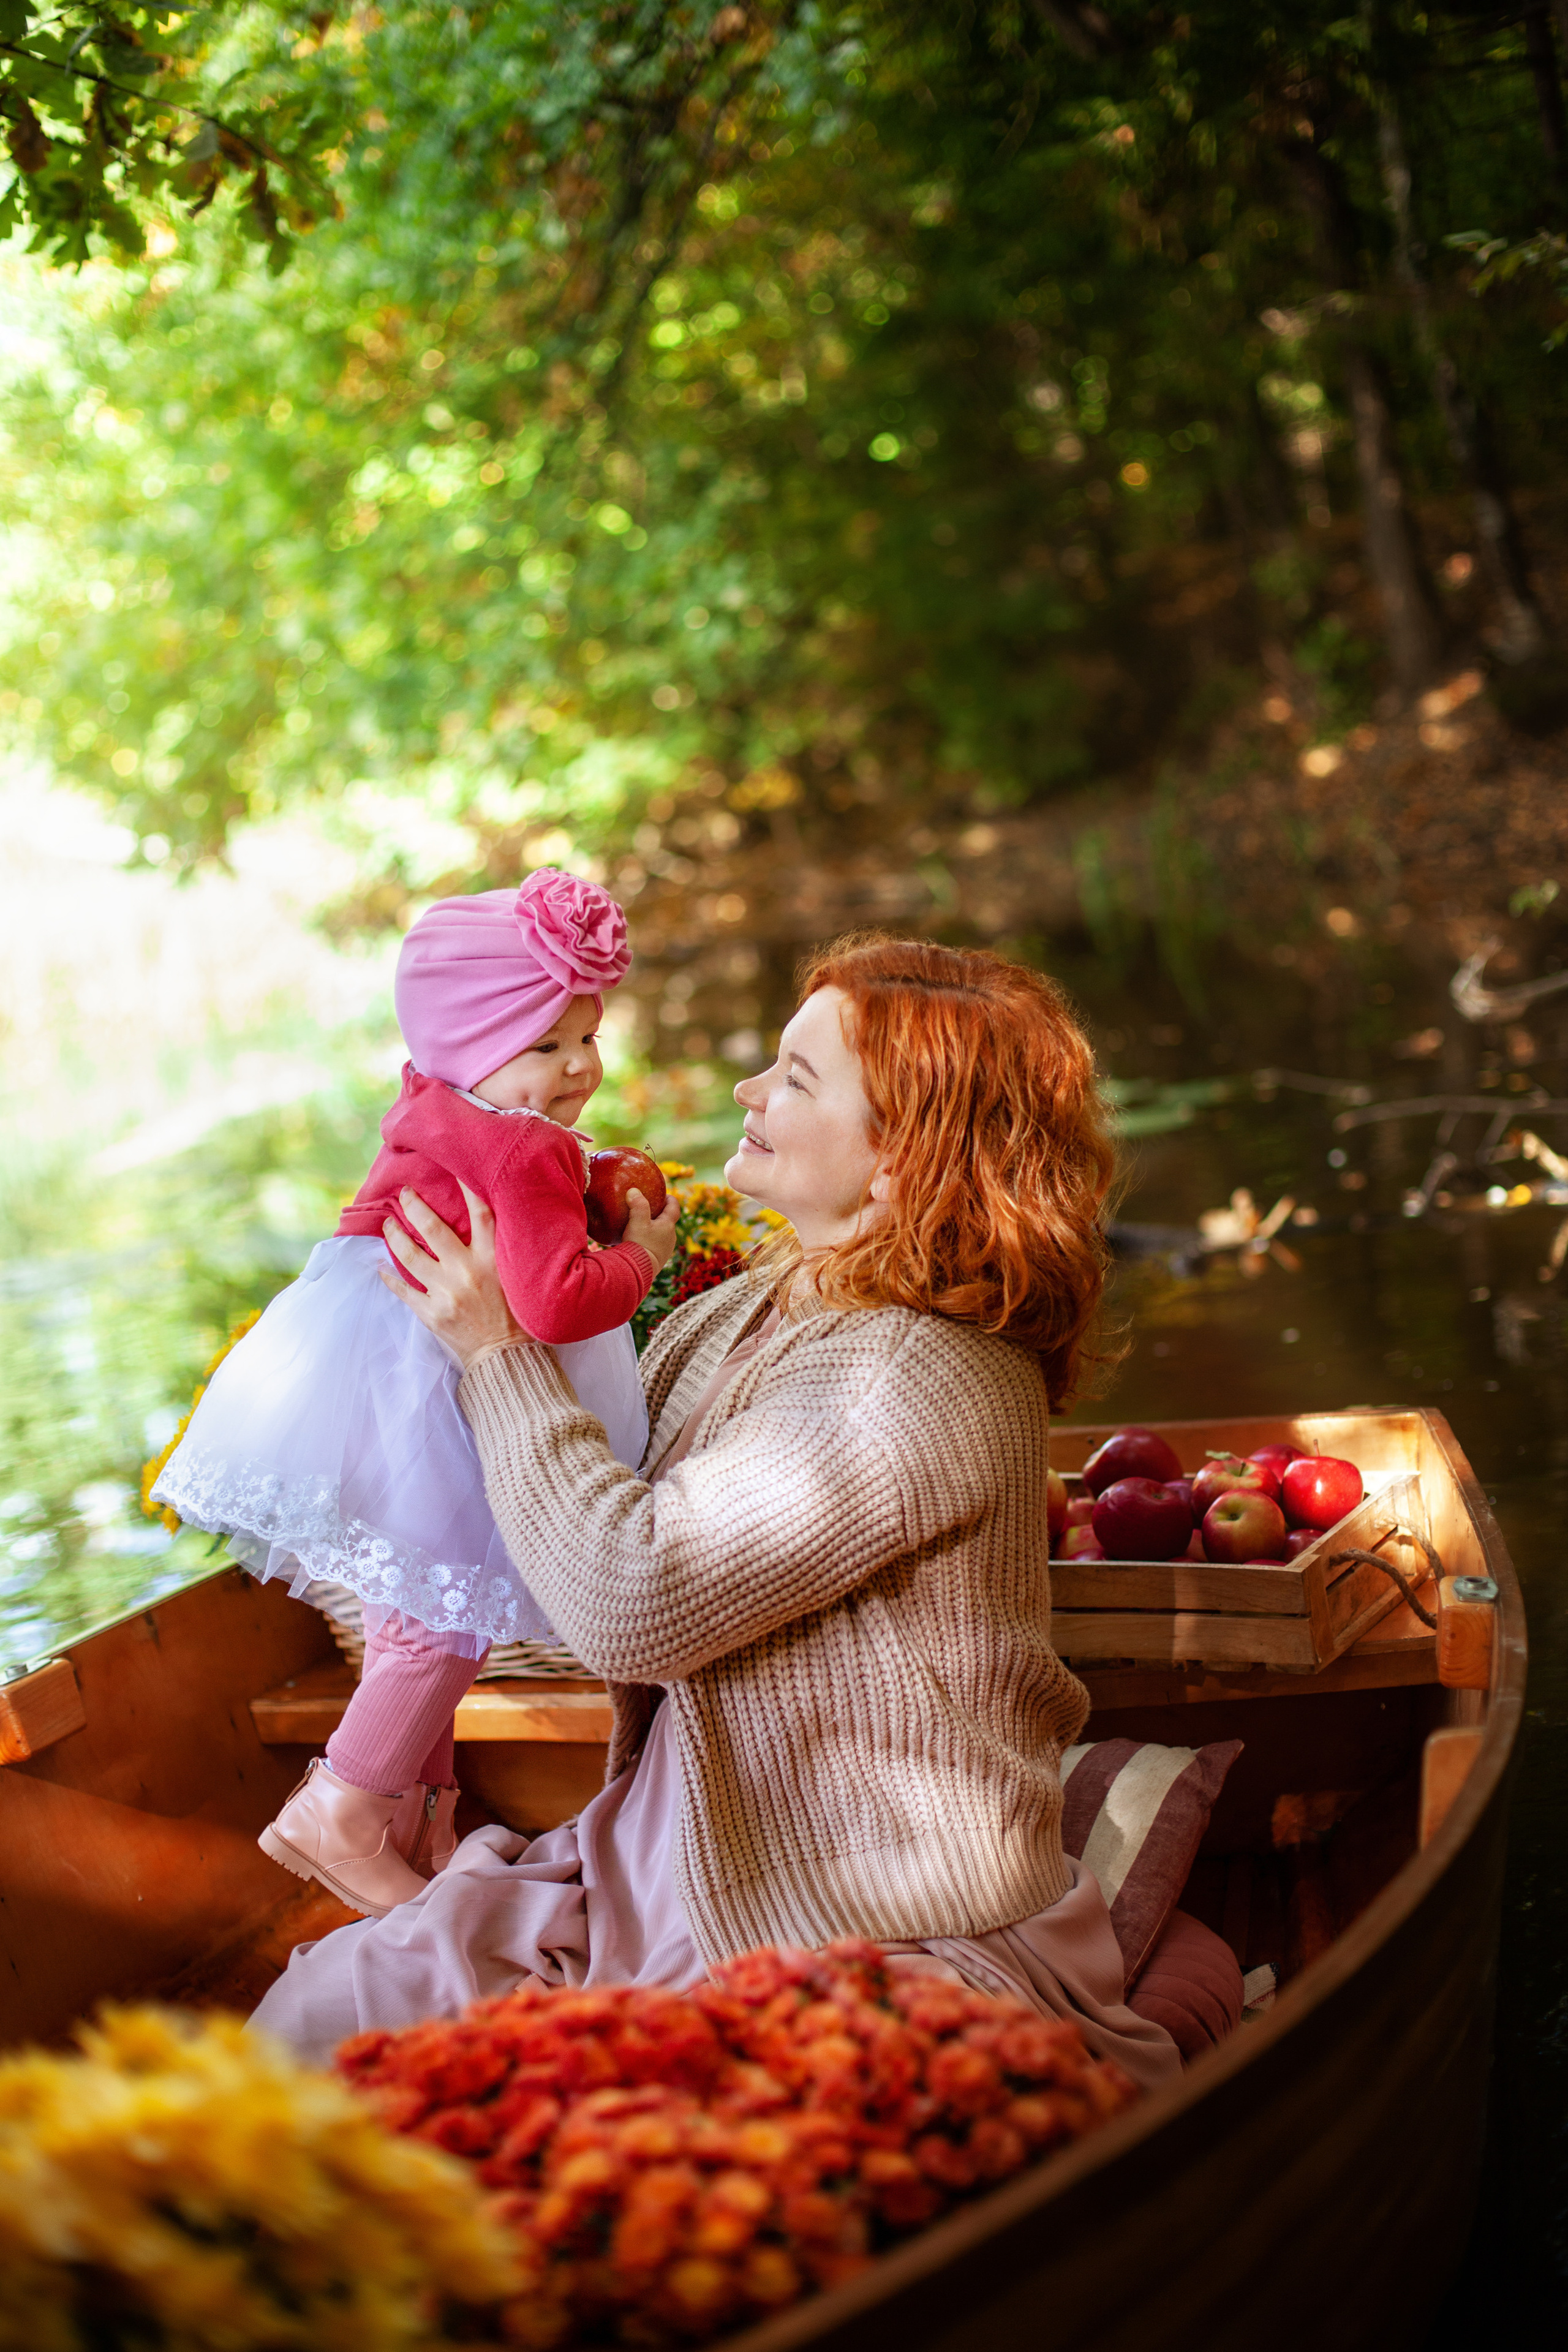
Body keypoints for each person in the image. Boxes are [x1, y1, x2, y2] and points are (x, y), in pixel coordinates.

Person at [251, 935, 1182, 2094]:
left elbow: (629, 1603)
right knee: (302, 2027)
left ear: (900, 1161)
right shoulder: (745, 1310)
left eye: (795, 1078)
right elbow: (544, 1511)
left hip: (842, 1912)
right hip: (661, 1861)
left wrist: (497, 1354)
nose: (748, 1090)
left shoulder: (919, 1377)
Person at [153, 869, 679, 1917]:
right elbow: (559, 1300)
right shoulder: (521, 1144)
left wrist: (593, 1172)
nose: (581, 1067)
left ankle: (413, 1819)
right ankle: (342, 1810)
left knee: (425, 1605)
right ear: (478, 1044)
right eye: (548, 1046)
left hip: (374, 1368)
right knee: (441, 1621)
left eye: (589, 1036)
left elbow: (495, 1182)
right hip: (435, 1386)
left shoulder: (445, 1100)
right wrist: (643, 1259)